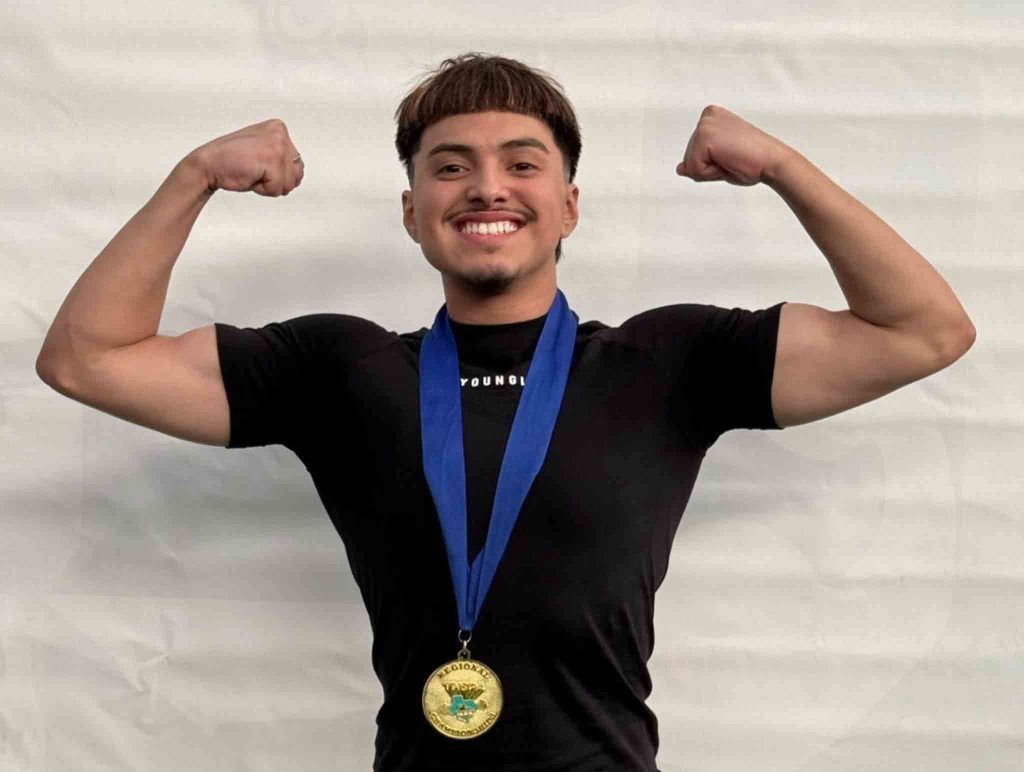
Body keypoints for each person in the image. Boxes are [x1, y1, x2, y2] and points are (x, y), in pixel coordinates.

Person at [36, 52, 975, 771]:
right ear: (413, 213)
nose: (487, 186)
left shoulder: (668, 363)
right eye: (451, 167)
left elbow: (925, 331)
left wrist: (781, 165)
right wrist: (196, 173)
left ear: (568, 206)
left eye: (522, 164)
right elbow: (86, 359)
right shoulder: (339, 370)